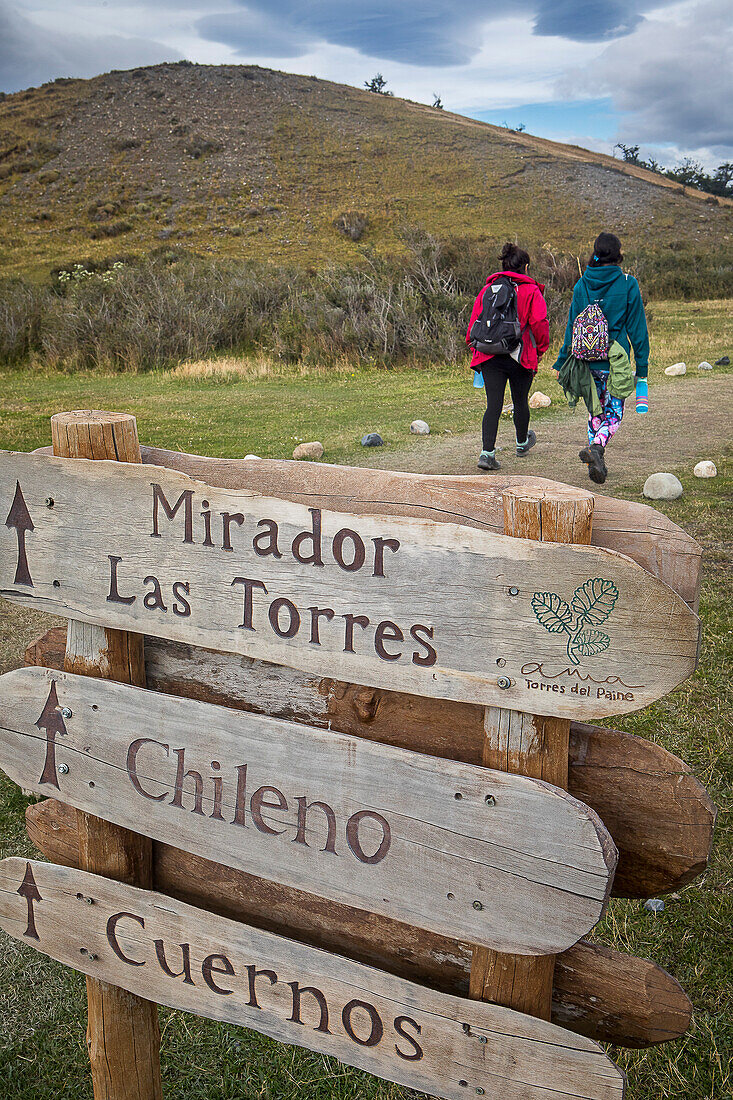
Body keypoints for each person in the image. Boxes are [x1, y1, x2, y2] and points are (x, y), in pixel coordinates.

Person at [551, 232, 649, 484]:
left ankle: (596, 464)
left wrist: (562, 361)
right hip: (614, 362)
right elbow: (637, 329)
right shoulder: (628, 283)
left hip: (586, 362)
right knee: (614, 414)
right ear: (618, 255)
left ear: (595, 252)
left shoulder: (581, 284)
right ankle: (597, 448)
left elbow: (572, 327)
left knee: (595, 411)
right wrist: (642, 366)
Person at [466, 243, 549, 471]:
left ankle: (487, 453)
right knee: (520, 400)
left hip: (490, 355)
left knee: (493, 404)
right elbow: (540, 322)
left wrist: (476, 349)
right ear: (526, 267)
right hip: (520, 356)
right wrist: (540, 349)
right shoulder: (531, 291)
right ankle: (522, 443)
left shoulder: (487, 291)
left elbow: (475, 323)